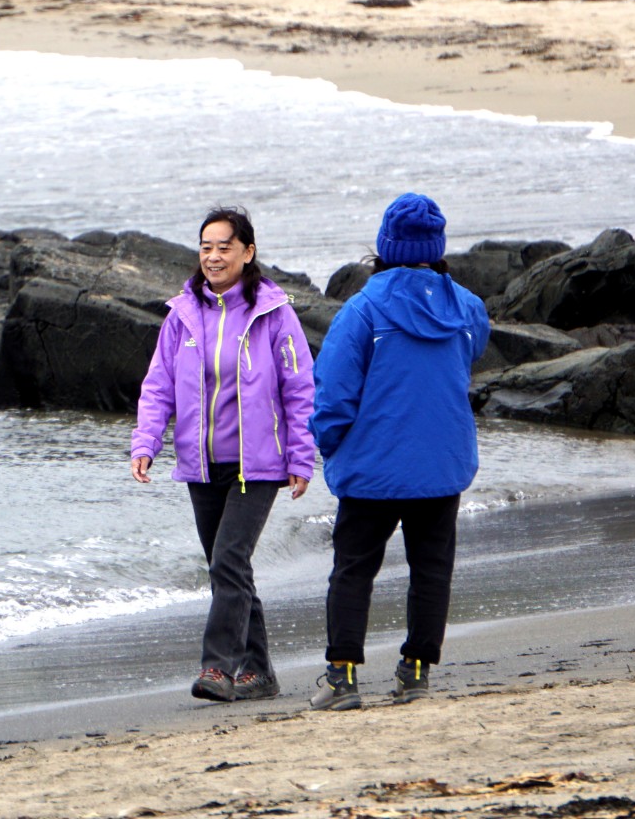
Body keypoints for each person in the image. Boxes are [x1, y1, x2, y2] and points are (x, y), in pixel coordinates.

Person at [307, 192, 490, 711]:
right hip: (441, 466)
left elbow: (334, 392)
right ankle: (415, 671)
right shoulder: (466, 308)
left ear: (385, 245)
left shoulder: (362, 309)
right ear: (436, 248)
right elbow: (469, 355)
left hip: (372, 468)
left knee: (352, 569)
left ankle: (341, 678)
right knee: (431, 570)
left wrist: (326, 445)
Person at [131, 207, 316, 704]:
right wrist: (146, 442)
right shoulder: (182, 314)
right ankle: (260, 672)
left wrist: (302, 458)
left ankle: (217, 666)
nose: (213, 256)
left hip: (258, 464)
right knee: (229, 567)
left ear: (247, 252)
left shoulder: (274, 313)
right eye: (206, 247)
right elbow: (158, 386)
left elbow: (300, 389)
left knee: (227, 561)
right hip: (201, 464)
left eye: (224, 247)